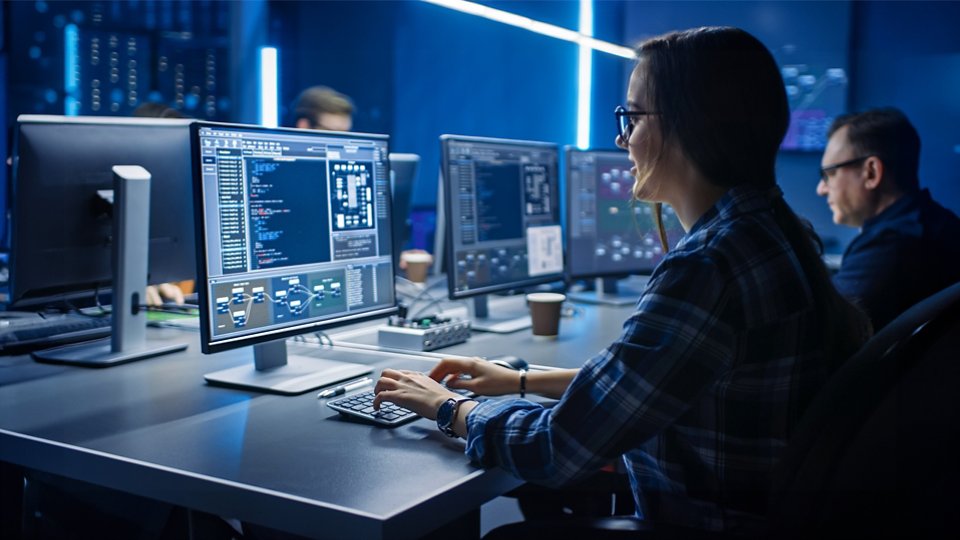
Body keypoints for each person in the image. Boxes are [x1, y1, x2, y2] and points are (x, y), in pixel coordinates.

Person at [372, 26, 871, 536]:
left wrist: (450, 408)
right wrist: (519, 381)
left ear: (689, 125)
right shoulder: (776, 232)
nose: (621, 138)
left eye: (631, 117)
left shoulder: (708, 267)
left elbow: (557, 449)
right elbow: (652, 382)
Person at [817, 108, 960, 329]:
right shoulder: (936, 224)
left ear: (871, 172)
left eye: (830, 173)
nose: (822, 189)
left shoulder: (892, 245)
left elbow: (824, 332)